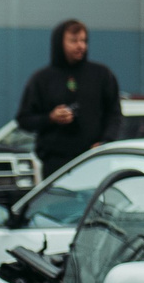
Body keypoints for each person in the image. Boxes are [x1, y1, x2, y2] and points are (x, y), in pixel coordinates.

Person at [14, 18, 122, 177]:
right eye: (74, 41)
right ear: (59, 43)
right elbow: (24, 119)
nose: (81, 46)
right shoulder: (42, 79)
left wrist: (106, 142)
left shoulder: (101, 75)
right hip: (56, 164)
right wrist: (51, 118)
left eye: (84, 40)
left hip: (93, 161)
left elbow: (114, 113)